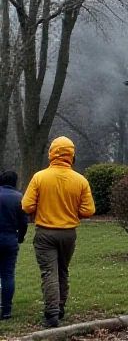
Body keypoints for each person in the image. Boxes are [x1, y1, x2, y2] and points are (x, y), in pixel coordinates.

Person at [22, 136, 95, 328]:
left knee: (49, 272)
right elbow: (89, 211)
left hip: (45, 232)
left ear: (51, 154)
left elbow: (27, 205)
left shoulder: (39, 177)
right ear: (72, 156)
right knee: (63, 271)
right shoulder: (80, 180)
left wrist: (42, 206)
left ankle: (52, 314)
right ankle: (61, 307)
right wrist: (72, 209)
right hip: (68, 234)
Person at [0, 171, 27, 319]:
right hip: (10, 238)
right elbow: (23, 222)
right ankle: (6, 310)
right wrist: (20, 237)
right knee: (7, 274)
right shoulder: (19, 198)